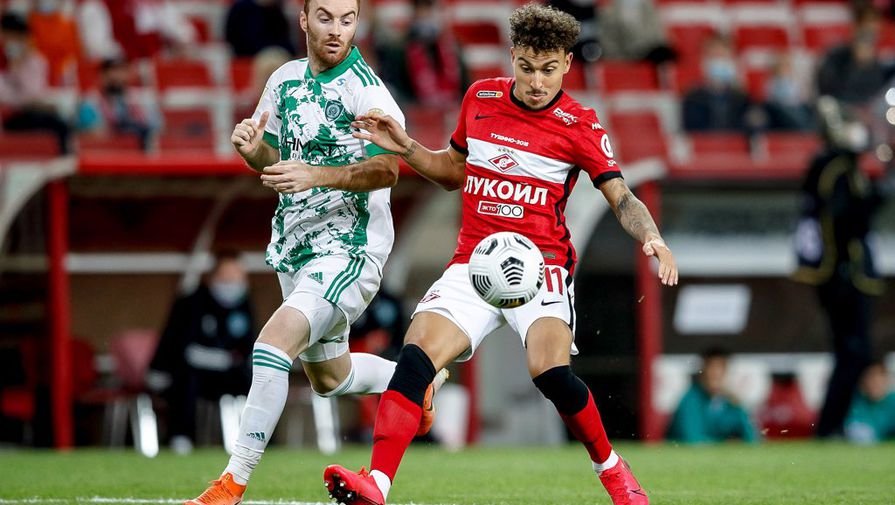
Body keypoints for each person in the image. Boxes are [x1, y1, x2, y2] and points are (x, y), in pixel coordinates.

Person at [324, 4, 678, 505]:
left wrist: (652, 237)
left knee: (550, 373)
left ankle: (613, 470)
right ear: (513, 57)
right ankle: (376, 486)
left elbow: (621, 196)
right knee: (415, 355)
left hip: (541, 268)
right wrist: (406, 147)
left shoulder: (579, 124)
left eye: (549, 69)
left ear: (567, 63)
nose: (536, 82)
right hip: (474, 262)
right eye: (527, 67)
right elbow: (452, 172)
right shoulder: (481, 98)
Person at [185, 1, 445, 504]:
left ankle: (231, 483)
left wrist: (316, 175)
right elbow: (276, 157)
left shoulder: (367, 91)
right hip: (297, 245)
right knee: (330, 377)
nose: (337, 29)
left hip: (350, 248)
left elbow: (387, 170)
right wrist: (252, 150)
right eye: (325, 17)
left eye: (348, 19)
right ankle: (414, 381)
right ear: (304, 20)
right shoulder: (283, 80)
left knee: (271, 346)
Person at [792, 96, 885, 438]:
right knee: (853, 351)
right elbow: (846, 220)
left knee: (852, 352)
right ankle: (830, 425)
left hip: (838, 272)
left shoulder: (832, 167)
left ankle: (834, 424)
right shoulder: (835, 168)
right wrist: (879, 195)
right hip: (842, 272)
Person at [147, 252, 256, 454]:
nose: (232, 282)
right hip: (190, 374)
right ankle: (181, 438)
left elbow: (248, 345)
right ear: (213, 276)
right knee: (187, 381)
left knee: (260, 381)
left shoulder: (244, 304)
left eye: (238, 276)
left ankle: (259, 439)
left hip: (229, 374)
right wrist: (222, 359)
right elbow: (179, 349)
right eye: (227, 275)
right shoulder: (191, 302)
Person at [0, 12, 71, 154]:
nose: (13, 40)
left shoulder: (34, 60)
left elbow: (32, 94)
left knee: (60, 125)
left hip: (24, 113)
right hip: (8, 115)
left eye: (19, 36)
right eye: (9, 35)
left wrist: (20, 65)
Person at [665, 348, 759, 444]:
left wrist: (739, 407)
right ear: (703, 370)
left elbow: (751, 439)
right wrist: (727, 444)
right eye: (711, 368)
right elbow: (692, 440)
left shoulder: (731, 403)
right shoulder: (690, 401)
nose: (716, 373)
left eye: (721, 368)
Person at [816, 5, 892, 106]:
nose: (871, 35)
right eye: (866, 31)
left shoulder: (883, 62)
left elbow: (881, 94)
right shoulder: (835, 57)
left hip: (875, 112)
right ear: (855, 28)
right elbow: (828, 94)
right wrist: (858, 64)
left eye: (875, 31)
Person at [77, 57, 159, 150]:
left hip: (141, 151)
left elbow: (155, 130)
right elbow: (93, 134)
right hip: (106, 151)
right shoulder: (89, 102)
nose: (116, 76)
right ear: (101, 76)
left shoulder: (143, 99)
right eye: (111, 72)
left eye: (121, 71)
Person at [681, 34, 755, 133]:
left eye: (723, 56)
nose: (719, 61)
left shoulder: (744, 98)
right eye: (714, 56)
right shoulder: (692, 97)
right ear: (704, 61)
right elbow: (693, 131)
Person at [403, 0, 465, 106]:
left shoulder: (452, 46)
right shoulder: (403, 48)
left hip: (452, 105)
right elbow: (403, 90)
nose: (425, 15)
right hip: (419, 109)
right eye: (421, 11)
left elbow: (463, 83)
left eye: (429, 10)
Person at [844, 360, 895, 443]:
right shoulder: (857, 401)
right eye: (871, 379)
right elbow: (853, 428)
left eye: (879, 379)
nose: (875, 383)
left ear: (886, 380)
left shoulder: (893, 401)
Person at [224, 0, 295, 58]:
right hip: (248, 55)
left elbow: (284, 39)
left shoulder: (277, 10)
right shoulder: (241, 8)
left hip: (275, 54)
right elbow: (232, 36)